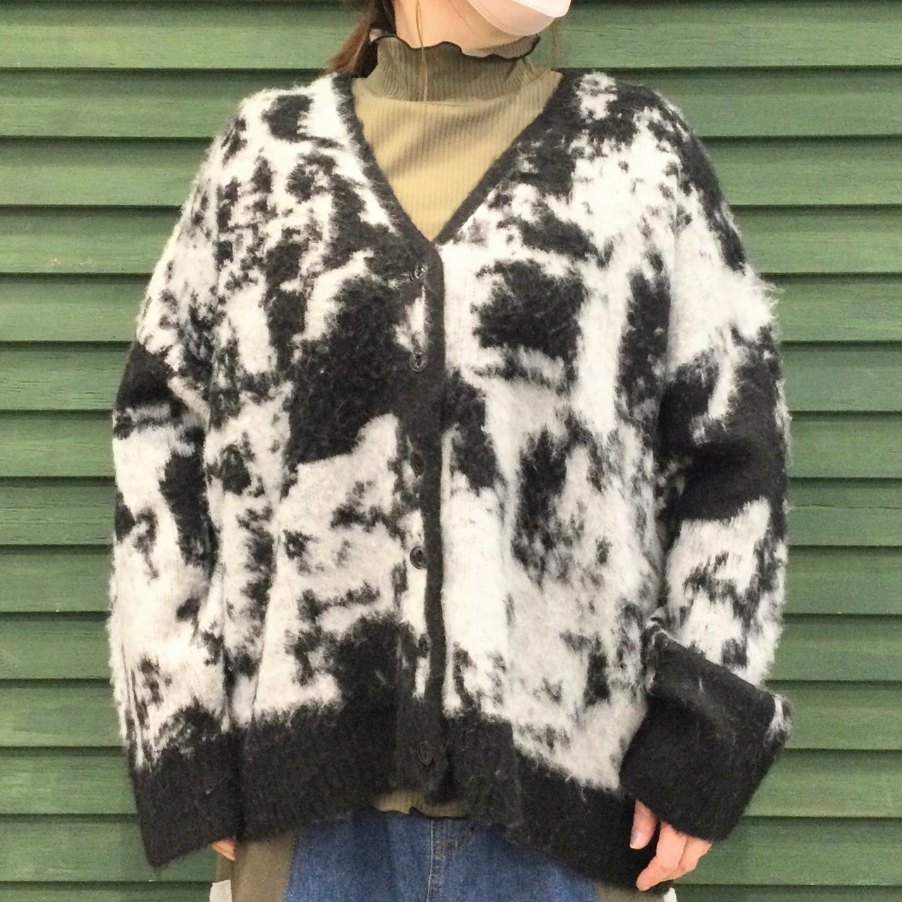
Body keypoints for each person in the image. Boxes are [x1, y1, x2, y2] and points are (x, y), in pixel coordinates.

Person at [105, 0, 795, 899]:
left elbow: (735, 446)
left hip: (577, 820)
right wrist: (184, 744)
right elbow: (158, 435)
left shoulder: (636, 154)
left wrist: (702, 738)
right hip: (307, 827)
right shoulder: (264, 160)